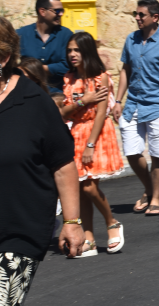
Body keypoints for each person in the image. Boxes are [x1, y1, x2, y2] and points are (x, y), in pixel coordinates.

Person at [0, 16, 86, 305]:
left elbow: (62, 164)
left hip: (18, 229)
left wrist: (72, 221)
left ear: (3, 57)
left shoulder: (34, 101)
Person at [112, 0, 159, 216]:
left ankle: (156, 199)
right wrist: (117, 100)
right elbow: (125, 69)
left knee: (157, 154)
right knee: (132, 152)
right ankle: (149, 189)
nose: (137, 18)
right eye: (136, 14)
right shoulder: (131, 40)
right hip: (132, 104)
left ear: (155, 17)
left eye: (141, 14)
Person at [61, 32, 125, 257]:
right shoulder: (69, 78)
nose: (72, 54)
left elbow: (100, 114)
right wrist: (83, 100)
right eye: (69, 50)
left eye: (76, 50)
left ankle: (112, 223)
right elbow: (64, 112)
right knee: (80, 189)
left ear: (86, 51)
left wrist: (90, 145)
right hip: (76, 131)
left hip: (96, 134)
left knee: (89, 186)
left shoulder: (100, 77)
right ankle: (89, 238)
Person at [16, 0, 73, 92]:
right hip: (27, 93)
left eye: (62, 11)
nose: (61, 14)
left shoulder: (66, 35)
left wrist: (37, 69)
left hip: (57, 95)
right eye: (57, 11)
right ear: (42, 11)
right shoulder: (21, 34)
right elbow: (7, 61)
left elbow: (68, 66)